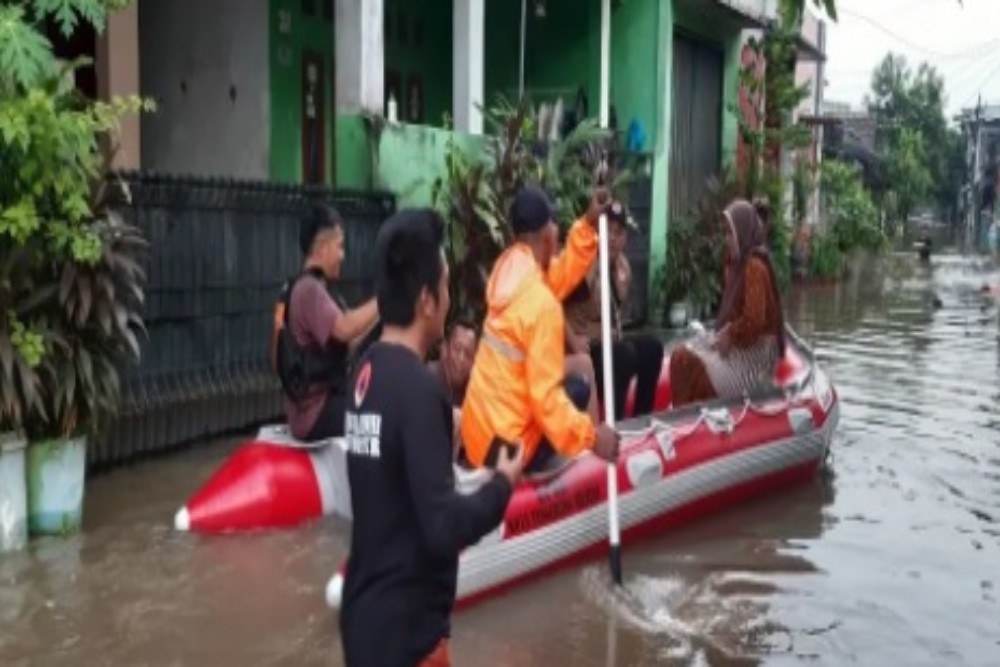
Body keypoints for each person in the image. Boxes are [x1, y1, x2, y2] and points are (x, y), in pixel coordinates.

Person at [339, 208, 523, 667]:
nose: (447, 297)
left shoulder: (365, 372)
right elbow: (441, 527)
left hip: (364, 623)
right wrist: (502, 483)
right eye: (443, 286)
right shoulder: (420, 390)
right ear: (425, 299)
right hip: (409, 639)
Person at [460, 185, 620, 473]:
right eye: (554, 226)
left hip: (478, 438)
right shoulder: (541, 304)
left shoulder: (508, 269)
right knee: (578, 388)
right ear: (547, 235)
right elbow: (546, 401)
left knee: (565, 382)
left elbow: (561, 273)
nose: (557, 232)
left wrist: (588, 223)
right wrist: (593, 437)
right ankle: (539, 474)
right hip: (505, 452)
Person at [276, 204, 380, 441]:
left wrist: (382, 312)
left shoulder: (310, 288)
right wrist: (383, 300)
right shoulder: (309, 290)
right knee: (381, 414)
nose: (343, 255)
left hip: (314, 410)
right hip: (316, 413)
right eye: (340, 246)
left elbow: (350, 339)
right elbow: (344, 328)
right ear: (322, 249)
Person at [669, 199, 786, 407]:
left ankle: (685, 418)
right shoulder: (738, 265)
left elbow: (754, 321)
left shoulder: (753, 267)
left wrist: (730, 335)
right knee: (683, 355)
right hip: (740, 351)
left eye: (731, 233)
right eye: (726, 233)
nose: (727, 239)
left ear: (742, 232)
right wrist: (725, 336)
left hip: (752, 361)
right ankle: (689, 416)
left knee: (683, 359)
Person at [564, 200, 665, 419]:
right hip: (586, 349)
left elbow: (614, 314)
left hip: (610, 344)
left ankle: (642, 419)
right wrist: (573, 341)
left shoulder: (622, 268)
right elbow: (553, 304)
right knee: (623, 356)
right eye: (606, 230)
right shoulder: (583, 264)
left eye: (617, 232)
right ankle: (614, 423)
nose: (611, 237)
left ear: (624, 239)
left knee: (652, 347)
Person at [427, 319, 479, 455]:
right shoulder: (429, 377)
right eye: (457, 349)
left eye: (468, 354)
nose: (461, 358)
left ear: (474, 361)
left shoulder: (473, 388)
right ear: (445, 349)